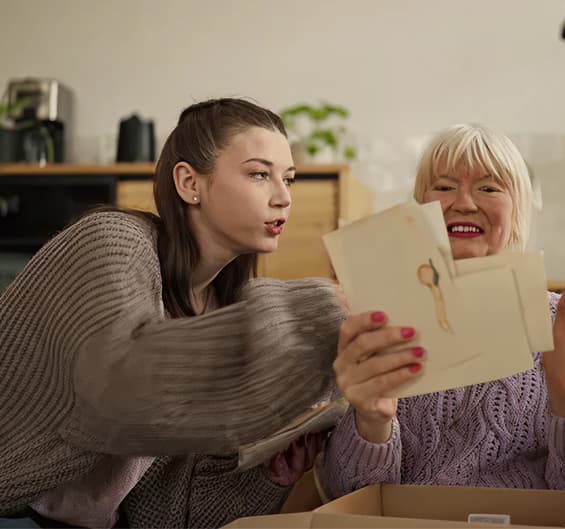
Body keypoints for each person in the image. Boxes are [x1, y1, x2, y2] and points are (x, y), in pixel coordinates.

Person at [0, 98, 347, 528]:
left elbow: (172, 512)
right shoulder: (111, 241)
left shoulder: (219, 306)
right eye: (260, 174)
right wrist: (316, 309)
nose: (283, 198)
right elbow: (120, 395)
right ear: (188, 183)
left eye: (289, 179)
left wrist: (269, 477)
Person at [321, 124, 565, 517]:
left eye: (489, 188)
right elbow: (346, 496)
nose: (463, 202)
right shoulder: (380, 325)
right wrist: (372, 423)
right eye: (444, 186)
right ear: (418, 210)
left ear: (517, 211)